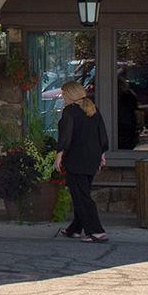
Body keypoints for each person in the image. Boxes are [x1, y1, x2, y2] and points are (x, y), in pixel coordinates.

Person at [55, 78, 109, 241]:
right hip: (91, 158)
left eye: (63, 94)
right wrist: (102, 154)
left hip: (76, 159)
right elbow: (102, 134)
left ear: (70, 94)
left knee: (81, 196)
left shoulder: (70, 111)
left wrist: (59, 155)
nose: (62, 97)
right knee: (82, 192)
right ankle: (75, 229)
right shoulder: (92, 109)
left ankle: (96, 231)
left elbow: (66, 135)